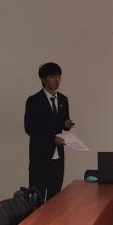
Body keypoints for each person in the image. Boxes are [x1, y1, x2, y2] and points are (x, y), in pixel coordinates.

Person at [24, 62, 74, 202]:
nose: (57, 80)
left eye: (59, 77)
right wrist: (52, 139)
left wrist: (67, 125)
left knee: (55, 198)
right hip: (40, 158)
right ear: (44, 79)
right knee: (37, 198)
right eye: (53, 77)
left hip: (58, 158)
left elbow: (62, 124)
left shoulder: (63, 99)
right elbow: (29, 128)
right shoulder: (34, 101)